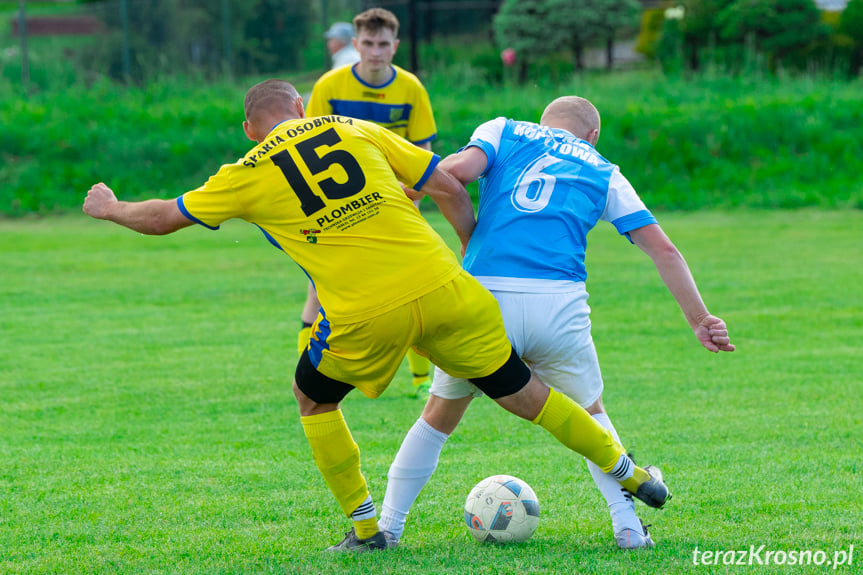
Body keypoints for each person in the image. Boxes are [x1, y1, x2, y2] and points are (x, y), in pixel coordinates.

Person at [82, 80, 670, 553]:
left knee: (313, 397)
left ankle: (368, 529)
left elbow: (162, 216)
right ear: (301, 107)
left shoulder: (245, 172)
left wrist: (110, 209)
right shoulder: (351, 126)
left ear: (249, 129)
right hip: (449, 289)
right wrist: (465, 253)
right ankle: (633, 474)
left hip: (366, 316)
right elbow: (446, 184)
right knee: (528, 395)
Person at [378, 96, 735, 549]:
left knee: (438, 417)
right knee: (591, 415)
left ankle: (388, 527)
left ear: (544, 121)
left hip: (485, 298)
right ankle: (627, 528)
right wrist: (700, 317)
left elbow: (455, 173)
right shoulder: (605, 170)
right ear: (592, 136)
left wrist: (405, 192)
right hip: (557, 303)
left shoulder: (504, 129)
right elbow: (663, 250)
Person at [298, 7, 439, 393]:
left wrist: (409, 200)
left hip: (397, 205)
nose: (375, 52)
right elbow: (307, 149)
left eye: (383, 44)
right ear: (355, 45)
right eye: (368, 44)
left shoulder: (411, 89)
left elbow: (422, 153)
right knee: (320, 287)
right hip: (344, 208)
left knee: (412, 287)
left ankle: (419, 381)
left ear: (395, 46)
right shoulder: (330, 87)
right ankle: (307, 380)